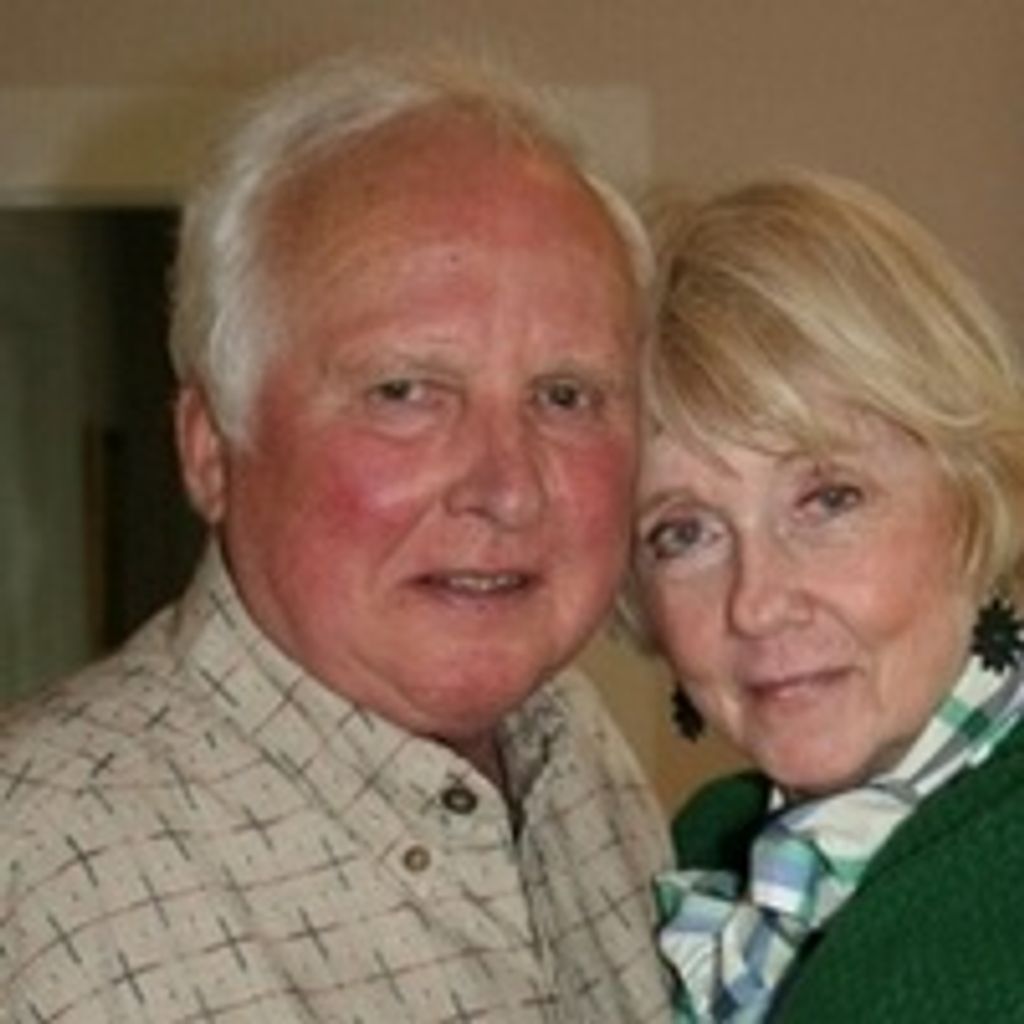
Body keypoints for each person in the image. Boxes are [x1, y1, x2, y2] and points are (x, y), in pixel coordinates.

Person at [0, 55, 672, 1021]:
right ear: (211, 449)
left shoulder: (576, 757)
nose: (508, 490)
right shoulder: (41, 873)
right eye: (404, 392)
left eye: (565, 396)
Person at [629, 171, 1024, 1022]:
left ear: (974, 495)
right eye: (685, 533)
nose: (757, 603)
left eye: (828, 499)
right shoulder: (701, 846)